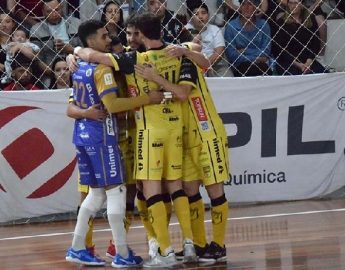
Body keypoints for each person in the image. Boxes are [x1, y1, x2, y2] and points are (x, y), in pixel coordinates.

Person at [74, 12, 198, 267]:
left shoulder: (130, 60)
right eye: (123, 34)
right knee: (163, 187)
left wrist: (78, 50)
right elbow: (197, 58)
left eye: (133, 34)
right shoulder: (175, 54)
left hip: (142, 133)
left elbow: (96, 58)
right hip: (151, 132)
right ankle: (182, 244)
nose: (127, 38)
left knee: (143, 189)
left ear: (141, 34)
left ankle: (157, 249)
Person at [65, 19, 163, 267]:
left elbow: (74, 102)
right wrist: (147, 99)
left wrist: (74, 52)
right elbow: (113, 106)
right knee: (117, 191)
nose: (108, 39)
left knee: (96, 193)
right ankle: (122, 253)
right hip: (103, 137)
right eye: (103, 36)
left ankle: (77, 248)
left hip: (83, 134)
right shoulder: (102, 69)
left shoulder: (78, 66)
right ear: (91, 41)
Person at [134, 42, 230, 263]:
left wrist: (185, 51)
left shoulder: (184, 57)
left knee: (215, 188)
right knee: (189, 189)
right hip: (183, 135)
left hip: (207, 131)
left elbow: (202, 65)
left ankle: (219, 245)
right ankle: (198, 244)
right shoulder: (149, 61)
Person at [273, 0, 328, 75]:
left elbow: (315, 43)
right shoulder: (281, 22)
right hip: (289, 62)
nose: (293, 6)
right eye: (290, 3)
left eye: (295, 3)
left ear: (302, 5)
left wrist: (309, 61)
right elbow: (280, 49)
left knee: (323, 75)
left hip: (307, 60)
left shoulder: (311, 20)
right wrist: (298, 64)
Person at [224, 0, 273, 76]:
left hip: (261, 65)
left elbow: (266, 51)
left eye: (249, 4)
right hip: (240, 65)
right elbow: (232, 55)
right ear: (240, 7)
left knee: (263, 70)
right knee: (249, 69)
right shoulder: (231, 26)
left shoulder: (264, 25)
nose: (246, 7)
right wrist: (256, 58)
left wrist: (244, 51)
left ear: (255, 7)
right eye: (243, 4)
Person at [186, 1, 232, 77]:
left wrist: (206, 65)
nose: (200, 16)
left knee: (228, 77)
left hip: (216, 65)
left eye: (203, 13)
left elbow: (219, 52)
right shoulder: (186, 31)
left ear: (208, 15)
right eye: (196, 14)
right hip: (193, 66)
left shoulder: (215, 29)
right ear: (190, 17)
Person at [30, 0, 81, 66]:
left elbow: (86, 49)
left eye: (57, 10)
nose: (54, 14)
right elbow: (37, 59)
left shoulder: (76, 24)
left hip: (77, 66)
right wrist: (53, 73)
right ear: (43, 12)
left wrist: (71, 49)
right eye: (49, 11)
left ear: (62, 7)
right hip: (50, 68)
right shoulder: (36, 30)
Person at [0, 10, 17, 89]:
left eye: (7, 21)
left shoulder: (20, 42)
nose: (3, 25)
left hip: (17, 85)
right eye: (0, 21)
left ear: (13, 24)